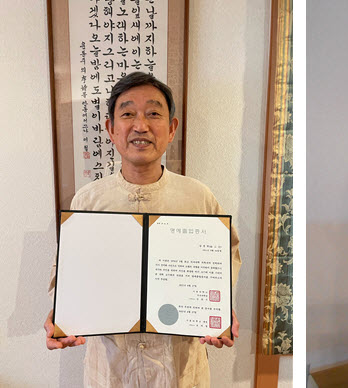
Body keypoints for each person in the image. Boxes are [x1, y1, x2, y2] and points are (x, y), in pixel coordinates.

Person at [44, 72, 242, 388]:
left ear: (172, 128)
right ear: (111, 129)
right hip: (111, 371)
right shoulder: (88, 199)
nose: (141, 125)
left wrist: (219, 311)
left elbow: (226, 260)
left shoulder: (198, 197)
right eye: (127, 114)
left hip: (178, 370)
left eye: (153, 114)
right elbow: (66, 270)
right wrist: (61, 315)